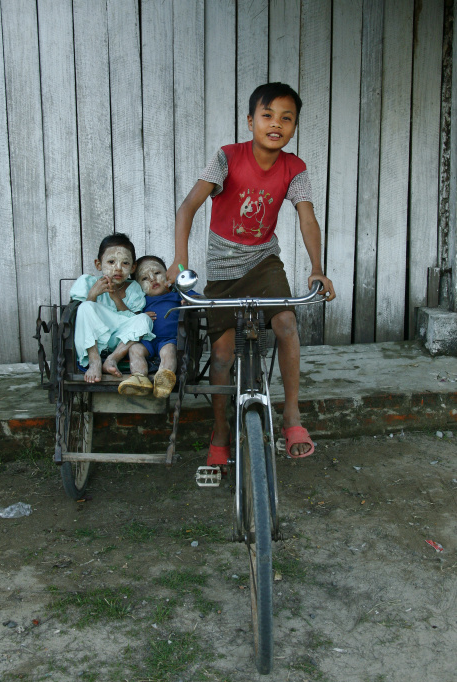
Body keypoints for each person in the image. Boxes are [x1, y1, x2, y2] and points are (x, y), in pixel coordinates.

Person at [166, 81, 336, 462]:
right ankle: (221, 432)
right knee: (223, 353)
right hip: (223, 272)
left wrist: (317, 269)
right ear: (250, 120)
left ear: (294, 126)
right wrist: (180, 262)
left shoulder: (295, 168)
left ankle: (291, 415)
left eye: (286, 118)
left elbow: (307, 218)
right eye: (267, 115)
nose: (276, 124)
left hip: (263, 263)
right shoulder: (226, 157)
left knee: (287, 325)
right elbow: (187, 208)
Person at [70, 233, 154, 391]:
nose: (118, 268)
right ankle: (95, 361)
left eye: (125, 263)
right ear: (98, 264)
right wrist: (92, 295)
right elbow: (82, 318)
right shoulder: (87, 282)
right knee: (85, 306)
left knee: (144, 319)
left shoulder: (134, 288)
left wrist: (116, 298)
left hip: (120, 339)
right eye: (111, 262)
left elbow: (131, 318)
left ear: (133, 267)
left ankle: (111, 359)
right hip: (94, 338)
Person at [120, 255, 194, 399]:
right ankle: (139, 378)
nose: (152, 279)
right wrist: (139, 315)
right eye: (145, 279)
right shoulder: (141, 300)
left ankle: (164, 379)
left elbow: (200, 299)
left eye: (157, 273)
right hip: (147, 340)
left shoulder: (177, 294)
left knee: (169, 352)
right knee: (135, 349)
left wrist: (189, 301)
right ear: (138, 285)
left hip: (168, 340)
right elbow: (128, 316)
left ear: (167, 275)